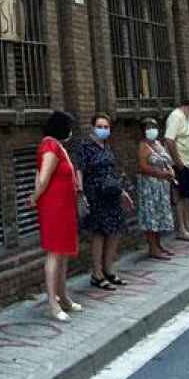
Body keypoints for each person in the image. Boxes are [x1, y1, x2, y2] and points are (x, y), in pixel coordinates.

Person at [29, 110, 83, 321]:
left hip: (64, 207)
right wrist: (35, 197)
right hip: (54, 208)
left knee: (62, 253)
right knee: (54, 253)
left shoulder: (56, 146)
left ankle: (64, 297)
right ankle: (53, 303)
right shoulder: (50, 146)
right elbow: (42, 177)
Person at [72, 113, 134, 289]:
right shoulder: (85, 147)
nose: (103, 130)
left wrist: (123, 191)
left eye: (106, 127)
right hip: (95, 193)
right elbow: (79, 169)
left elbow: (114, 170)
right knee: (99, 233)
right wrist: (80, 191)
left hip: (112, 193)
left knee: (114, 230)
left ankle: (109, 269)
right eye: (100, 126)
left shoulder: (107, 146)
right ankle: (97, 273)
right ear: (93, 127)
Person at [134, 116, 177, 261]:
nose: (151, 130)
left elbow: (167, 160)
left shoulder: (158, 143)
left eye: (153, 127)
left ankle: (159, 245)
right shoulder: (143, 146)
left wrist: (170, 171)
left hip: (162, 186)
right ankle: (152, 248)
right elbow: (143, 167)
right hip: (149, 186)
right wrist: (162, 174)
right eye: (148, 128)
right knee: (151, 217)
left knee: (159, 216)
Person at [165, 99, 189, 242]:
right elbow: (169, 140)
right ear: (187, 107)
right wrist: (178, 162)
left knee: (187, 196)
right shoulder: (176, 117)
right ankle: (181, 229)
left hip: (187, 164)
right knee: (181, 197)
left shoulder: (186, 117)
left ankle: (188, 225)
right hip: (180, 164)